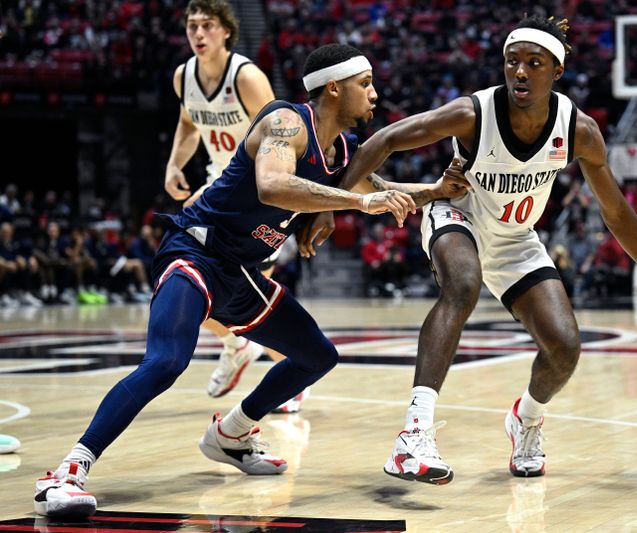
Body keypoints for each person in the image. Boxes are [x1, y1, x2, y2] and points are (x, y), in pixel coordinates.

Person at [33, 43, 465, 518]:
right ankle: (68, 471)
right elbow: (273, 185)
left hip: (242, 273)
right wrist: (357, 205)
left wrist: (436, 192)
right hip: (197, 253)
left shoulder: (342, 149)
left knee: (316, 356)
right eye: (366, 84)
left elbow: (380, 191)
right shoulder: (286, 122)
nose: (375, 94)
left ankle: (233, 433)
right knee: (166, 361)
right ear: (334, 88)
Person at [339, 15, 637, 485]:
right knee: (463, 286)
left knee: (565, 347)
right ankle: (413, 435)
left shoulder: (579, 130)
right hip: (459, 217)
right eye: (512, 62)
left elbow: (615, 211)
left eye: (534, 63)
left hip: (516, 240)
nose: (521, 72)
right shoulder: (474, 113)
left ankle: (525, 420)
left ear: (557, 71)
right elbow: (386, 139)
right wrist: (336, 205)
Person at [164, 0, 301, 407]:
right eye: (192, 26)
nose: (199, 34)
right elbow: (189, 123)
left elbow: (285, 135)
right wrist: (174, 163)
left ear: (226, 30)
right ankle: (259, 355)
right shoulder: (183, 76)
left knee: (241, 298)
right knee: (190, 283)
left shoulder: (246, 77)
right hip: (217, 190)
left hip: (257, 196)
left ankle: (283, 366)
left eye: (207, 25)